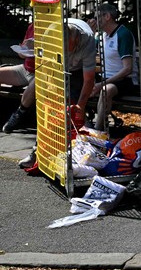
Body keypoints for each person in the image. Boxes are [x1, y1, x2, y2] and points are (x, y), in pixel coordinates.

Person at [16, 18, 97, 170]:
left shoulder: (87, 40)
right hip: (56, 68)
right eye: (62, 48)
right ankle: (38, 150)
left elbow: (89, 79)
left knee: (71, 109)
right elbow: (45, 67)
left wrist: (80, 106)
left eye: (68, 47)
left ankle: (75, 152)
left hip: (78, 71)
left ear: (75, 38)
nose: (66, 51)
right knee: (49, 109)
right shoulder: (50, 36)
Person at [91, 2, 137, 131]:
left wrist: (101, 84)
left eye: (97, 17)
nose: (95, 20)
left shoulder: (123, 35)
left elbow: (127, 69)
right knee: (77, 84)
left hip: (125, 81)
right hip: (105, 78)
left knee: (106, 90)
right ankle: (82, 126)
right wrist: (91, 33)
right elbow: (88, 53)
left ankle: (97, 132)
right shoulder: (100, 35)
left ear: (107, 16)